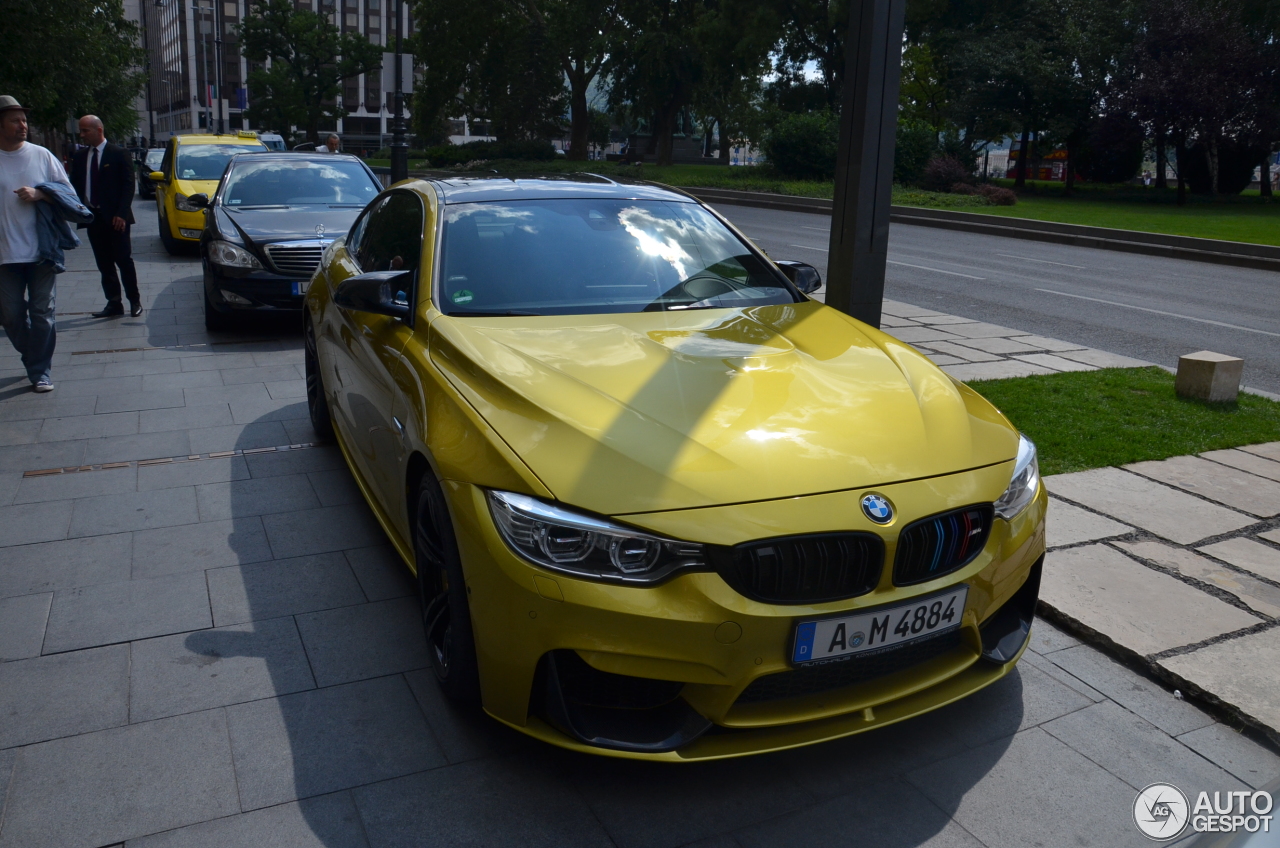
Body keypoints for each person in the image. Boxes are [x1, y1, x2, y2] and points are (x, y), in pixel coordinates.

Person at [0, 96, 84, 392]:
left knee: (42, 313)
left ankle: (40, 371)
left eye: (24, 120)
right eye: (15, 120)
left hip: (42, 251)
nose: (23, 125)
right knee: (9, 314)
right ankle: (33, 357)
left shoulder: (41, 155)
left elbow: (70, 196)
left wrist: (41, 194)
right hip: (4, 255)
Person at [70, 115, 141, 318]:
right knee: (104, 263)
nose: (82, 135)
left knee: (124, 260)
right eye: (81, 131)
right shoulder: (80, 156)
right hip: (94, 218)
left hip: (117, 218)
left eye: (85, 131)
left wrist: (122, 213)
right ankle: (114, 303)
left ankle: (134, 301)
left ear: (99, 130)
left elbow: (128, 185)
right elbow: (75, 185)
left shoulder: (119, 153)